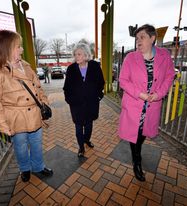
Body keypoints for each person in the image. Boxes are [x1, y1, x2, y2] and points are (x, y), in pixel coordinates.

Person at [0, 30, 53, 182]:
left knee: (36, 144)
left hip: (35, 114)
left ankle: (38, 167)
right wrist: (2, 124)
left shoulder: (26, 66)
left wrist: (44, 102)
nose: (22, 49)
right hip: (15, 118)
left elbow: (38, 88)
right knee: (20, 147)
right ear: (6, 48)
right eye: (18, 46)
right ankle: (25, 168)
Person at [118, 24, 175, 182]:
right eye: (137, 39)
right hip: (134, 104)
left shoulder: (164, 56)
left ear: (152, 38)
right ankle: (137, 161)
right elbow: (123, 81)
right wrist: (140, 94)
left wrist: (159, 94)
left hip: (152, 106)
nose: (138, 41)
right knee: (133, 134)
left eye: (142, 37)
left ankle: (137, 152)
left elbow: (170, 76)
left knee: (142, 133)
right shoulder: (130, 58)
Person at [63, 43, 105, 157]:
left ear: (86, 55)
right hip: (76, 104)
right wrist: (70, 100)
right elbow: (66, 87)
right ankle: (81, 147)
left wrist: (98, 96)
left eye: (79, 54)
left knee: (89, 125)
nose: (76, 57)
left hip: (91, 103)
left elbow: (101, 82)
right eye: (75, 54)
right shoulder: (71, 69)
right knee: (78, 126)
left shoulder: (95, 66)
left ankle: (86, 139)